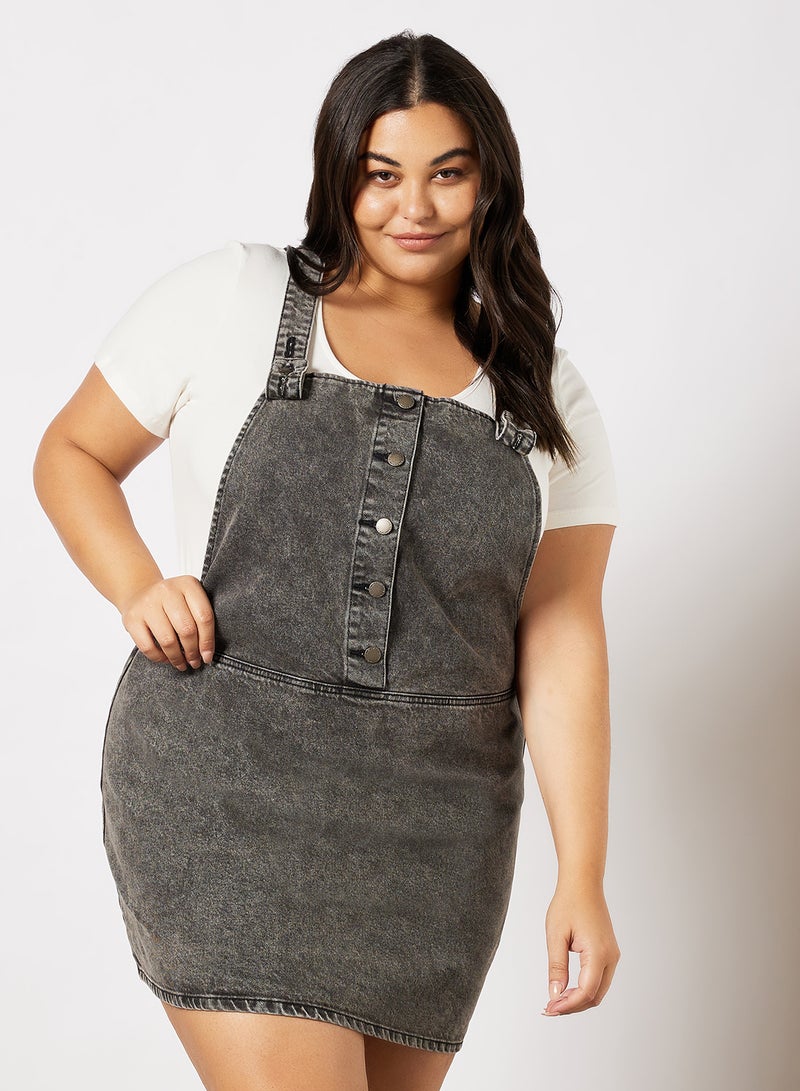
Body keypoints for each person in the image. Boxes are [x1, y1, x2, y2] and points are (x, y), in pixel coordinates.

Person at [33, 28, 621, 1091]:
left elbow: (562, 628)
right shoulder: (237, 295)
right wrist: (136, 583)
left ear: (490, 180)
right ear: (337, 174)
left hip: (436, 829)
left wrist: (581, 870)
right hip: (227, 786)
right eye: (380, 174)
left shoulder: (542, 388)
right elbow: (71, 452)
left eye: (448, 173)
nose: (414, 206)